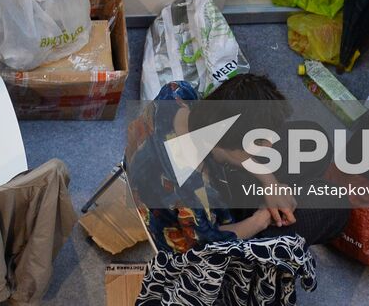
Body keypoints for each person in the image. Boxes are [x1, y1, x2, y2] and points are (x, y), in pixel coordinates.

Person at [131, 74, 348, 254]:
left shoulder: (176, 93)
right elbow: (214, 244)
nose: (269, 146)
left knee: (311, 141)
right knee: (335, 204)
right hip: (209, 243)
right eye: (260, 143)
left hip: (201, 168)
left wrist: (269, 181)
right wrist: (263, 217)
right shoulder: (196, 195)